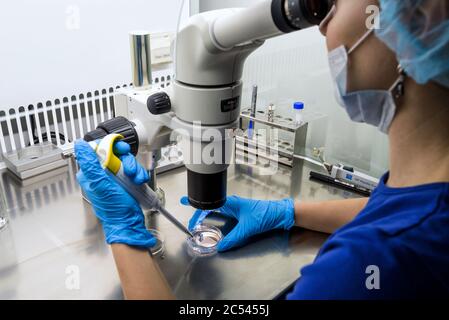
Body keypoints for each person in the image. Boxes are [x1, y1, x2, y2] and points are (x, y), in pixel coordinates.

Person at [75, 0, 449, 299]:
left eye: (333, 3)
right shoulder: (426, 193)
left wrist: (124, 235)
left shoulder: (361, 268)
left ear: (417, 21)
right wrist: (284, 210)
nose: (323, 25)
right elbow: (388, 208)